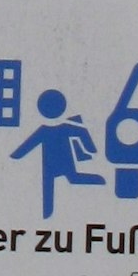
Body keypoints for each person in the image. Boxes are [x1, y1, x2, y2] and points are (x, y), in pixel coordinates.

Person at [10, 89, 102, 218]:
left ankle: (99, 181)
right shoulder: (61, 127)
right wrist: (15, 156)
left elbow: (25, 148)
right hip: (51, 164)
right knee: (56, 184)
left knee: (66, 180)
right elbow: (25, 147)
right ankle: (47, 214)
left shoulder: (54, 129)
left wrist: (16, 155)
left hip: (57, 162)